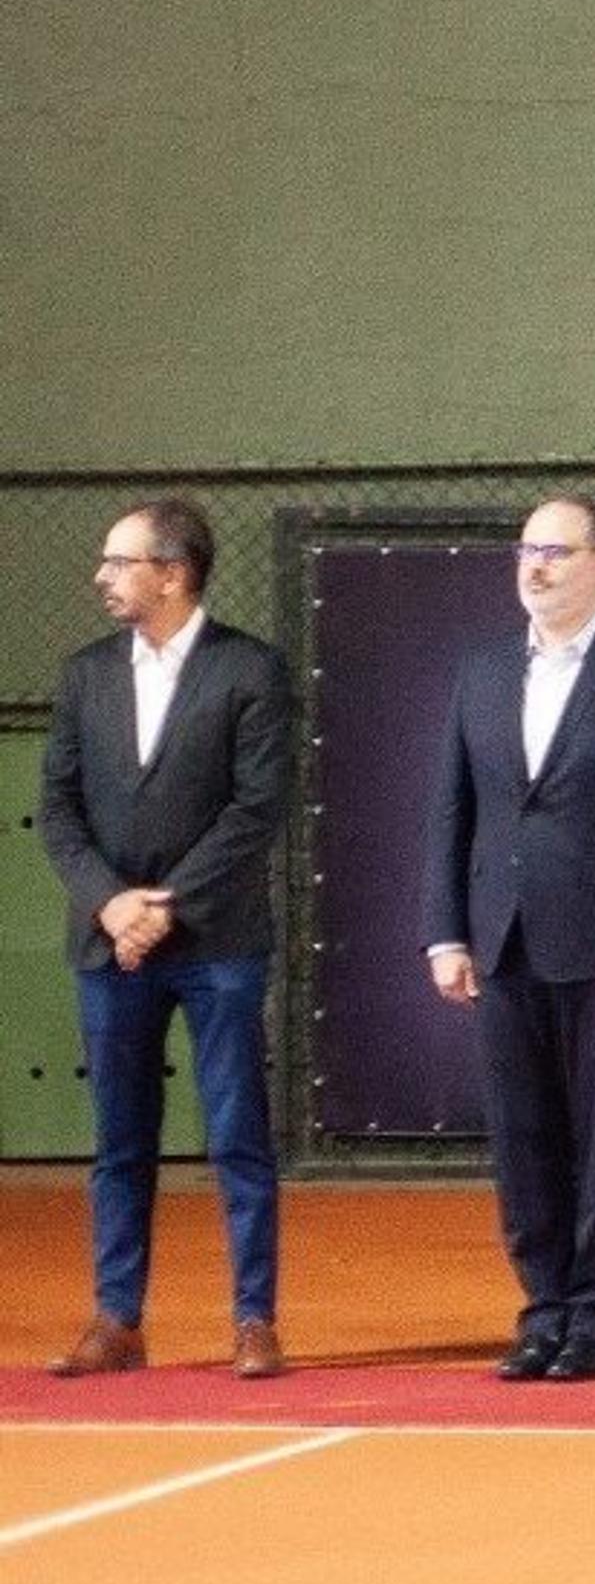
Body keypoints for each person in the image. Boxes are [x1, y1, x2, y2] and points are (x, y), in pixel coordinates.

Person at [422, 494, 595, 1383]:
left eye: (556, 550)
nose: (535, 567)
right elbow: (452, 812)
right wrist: (445, 932)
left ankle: (593, 1323)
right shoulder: (481, 670)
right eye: (525, 551)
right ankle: (541, 1311)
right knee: (523, 1140)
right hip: (499, 942)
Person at [39, 496, 297, 1380]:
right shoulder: (83, 676)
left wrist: (167, 905)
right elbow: (60, 812)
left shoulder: (250, 671)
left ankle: (254, 1320)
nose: (104, 578)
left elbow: (256, 807)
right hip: (109, 950)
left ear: (173, 574)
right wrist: (114, 906)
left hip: (219, 944)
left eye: (121, 563)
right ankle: (118, 1320)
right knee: (120, 1141)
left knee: (237, 1135)